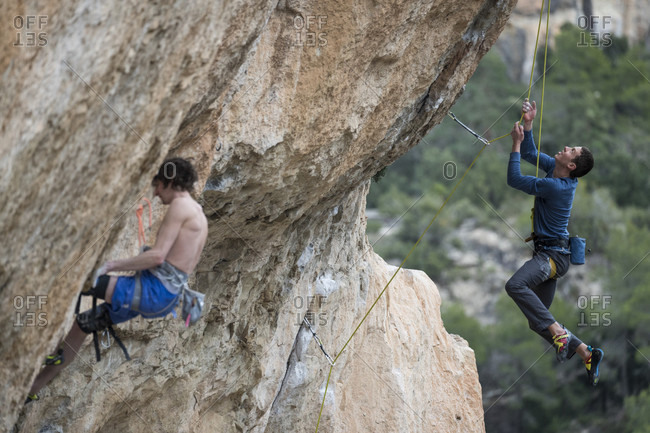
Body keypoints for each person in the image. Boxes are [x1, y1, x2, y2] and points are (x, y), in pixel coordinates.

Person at [27, 157, 208, 402]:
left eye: (157, 185)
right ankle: (32, 389)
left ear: (169, 181)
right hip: (165, 297)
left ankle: (28, 340)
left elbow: (157, 257)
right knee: (83, 325)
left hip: (152, 291)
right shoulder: (198, 213)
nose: (155, 193)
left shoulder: (180, 207)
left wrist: (110, 266)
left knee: (81, 284)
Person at [505, 99, 603, 386]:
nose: (566, 146)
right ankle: (586, 352)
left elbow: (514, 179)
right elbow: (531, 152)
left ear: (571, 164)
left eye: (571, 150)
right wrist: (528, 124)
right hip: (555, 256)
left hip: (551, 257)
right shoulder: (557, 171)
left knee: (515, 286)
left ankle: (561, 336)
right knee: (540, 321)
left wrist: (513, 145)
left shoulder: (556, 186)